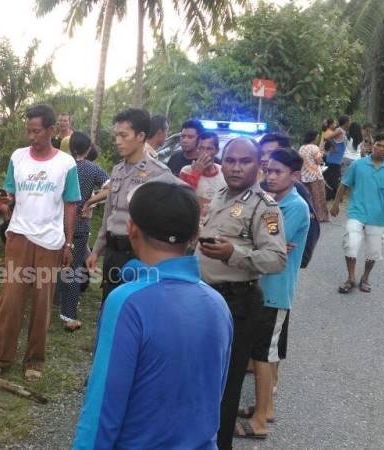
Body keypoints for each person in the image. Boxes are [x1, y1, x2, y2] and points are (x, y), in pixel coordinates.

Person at [73, 181, 232, 449]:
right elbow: (214, 394)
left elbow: (102, 406)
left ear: (131, 228)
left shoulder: (126, 302)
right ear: (195, 234)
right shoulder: (217, 303)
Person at [197, 137, 287, 450]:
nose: (235, 167)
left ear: (258, 164)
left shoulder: (266, 208)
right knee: (201, 377)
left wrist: (233, 254)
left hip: (237, 301)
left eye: (244, 161)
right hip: (205, 297)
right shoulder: (220, 194)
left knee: (226, 384)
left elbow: (276, 258)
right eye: (231, 160)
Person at [0, 104, 80, 382]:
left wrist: (69, 243)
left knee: (42, 303)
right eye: (28, 131)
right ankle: (1, 358)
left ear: (51, 130)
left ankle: (34, 361)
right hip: (19, 237)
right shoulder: (18, 157)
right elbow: (10, 193)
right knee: (10, 300)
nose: (31, 136)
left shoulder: (66, 164)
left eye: (36, 131)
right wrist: (7, 200)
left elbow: (70, 204)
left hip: (50, 242)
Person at [236, 149, 309, 440]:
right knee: (259, 353)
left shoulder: (295, 206)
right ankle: (263, 409)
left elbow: (269, 246)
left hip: (275, 292)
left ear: (295, 175)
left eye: (279, 172)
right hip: (258, 287)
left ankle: (260, 421)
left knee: (264, 356)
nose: (272, 176)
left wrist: (250, 240)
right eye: (269, 170)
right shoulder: (270, 202)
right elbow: (258, 239)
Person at [86, 108, 174, 302]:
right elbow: (110, 213)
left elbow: (164, 221)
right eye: (116, 135)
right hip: (113, 253)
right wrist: (96, 250)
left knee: (136, 306)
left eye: (123, 135)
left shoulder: (159, 173)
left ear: (141, 136)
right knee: (110, 302)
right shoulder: (117, 170)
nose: (118, 141)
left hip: (139, 256)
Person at [331, 133, 384, 294]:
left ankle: (365, 278)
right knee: (351, 244)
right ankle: (350, 278)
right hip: (357, 212)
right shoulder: (358, 164)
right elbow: (344, 184)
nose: (380, 148)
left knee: (373, 251)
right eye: (378, 144)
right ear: (372, 145)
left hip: (377, 217)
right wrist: (336, 204)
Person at [57, 131, 108, 331]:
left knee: (50, 266)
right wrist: (89, 201)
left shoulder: (62, 166)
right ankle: (69, 314)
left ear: (71, 148)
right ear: (88, 149)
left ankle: (48, 302)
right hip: (78, 225)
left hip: (56, 224)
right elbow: (111, 187)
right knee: (75, 268)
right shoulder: (92, 169)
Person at [179, 131, 226, 220]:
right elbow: (184, 200)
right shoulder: (186, 171)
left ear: (216, 151)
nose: (204, 153)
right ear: (197, 149)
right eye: (201, 148)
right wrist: (196, 173)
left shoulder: (224, 172)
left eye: (209, 149)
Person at [298, 130, 329, 222]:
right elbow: (319, 161)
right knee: (319, 197)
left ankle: (310, 215)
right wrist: (322, 157)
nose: (318, 139)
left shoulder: (301, 148)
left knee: (308, 197)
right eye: (317, 137)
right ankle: (321, 216)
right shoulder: (314, 148)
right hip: (315, 176)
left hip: (304, 176)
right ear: (314, 138)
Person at [323, 115, 349, 199]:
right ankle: (330, 195)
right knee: (331, 178)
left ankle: (332, 195)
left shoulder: (342, 131)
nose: (350, 123)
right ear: (346, 122)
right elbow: (327, 138)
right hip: (333, 159)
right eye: (349, 121)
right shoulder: (339, 130)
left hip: (337, 159)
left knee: (334, 178)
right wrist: (333, 147)